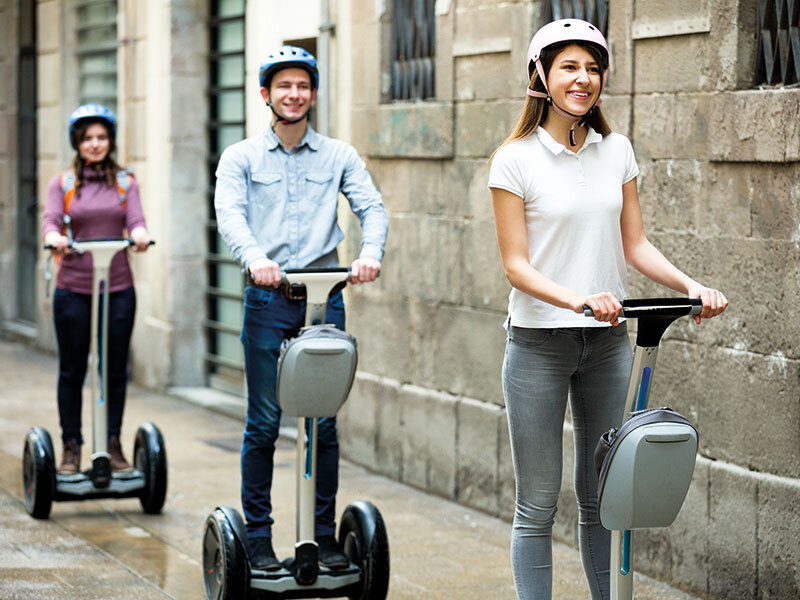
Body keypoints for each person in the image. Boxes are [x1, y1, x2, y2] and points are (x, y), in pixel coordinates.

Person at [487, 19, 727, 600]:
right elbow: (516, 266)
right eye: (569, 66)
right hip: (539, 342)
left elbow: (635, 244)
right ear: (540, 76)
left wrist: (693, 286)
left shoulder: (615, 150)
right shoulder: (514, 160)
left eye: (593, 68)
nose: (584, 79)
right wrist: (578, 298)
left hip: (606, 344)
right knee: (537, 504)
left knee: (604, 497)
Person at [214, 45, 388, 570]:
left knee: (323, 425)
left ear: (313, 94)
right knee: (265, 423)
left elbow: (371, 207)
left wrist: (370, 254)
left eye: (303, 86)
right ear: (265, 94)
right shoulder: (241, 157)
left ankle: (323, 537)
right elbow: (231, 214)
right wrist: (255, 258)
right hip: (269, 299)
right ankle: (260, 539)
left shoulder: (339, 155)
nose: (294, 95)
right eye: (283, 86)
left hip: (325, 301)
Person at [42, 103, 151, 476]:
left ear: (110, 141)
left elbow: (136, 221)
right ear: (77, 142)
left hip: (117, 288)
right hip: (73, 288)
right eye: (87, 138)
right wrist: (54, 237)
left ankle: (112, 444)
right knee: (72, 370)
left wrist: (139, 235)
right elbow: (51, 221)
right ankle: (71, 446)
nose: (94, 144)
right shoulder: (63, 183)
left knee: (114, 369)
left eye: (101, 137)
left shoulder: (125, 181)